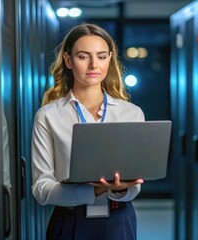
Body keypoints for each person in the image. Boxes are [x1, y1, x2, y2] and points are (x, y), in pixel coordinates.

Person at [31, 23, 145, 240]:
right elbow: (42, 189)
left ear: (109, 59)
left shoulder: (131, 113)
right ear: (67, 60)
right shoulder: (48, 116)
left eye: (101, 56)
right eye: (84, 56)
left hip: (119, 220)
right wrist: (95, 191)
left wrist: (120, 189)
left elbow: (135, 184)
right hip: (69, 222)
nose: (94, 64)